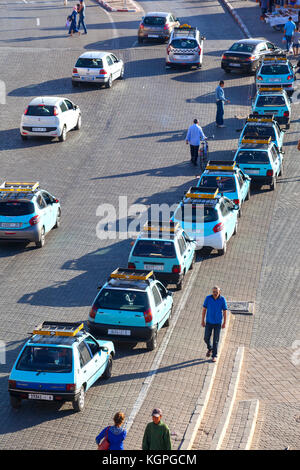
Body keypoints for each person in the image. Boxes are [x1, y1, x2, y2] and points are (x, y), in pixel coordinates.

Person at [201, 286, 227, 363]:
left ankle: (214, 356)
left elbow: (225, 312)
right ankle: (210, 348)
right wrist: (203, 320)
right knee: (206, 338)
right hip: (209, 322)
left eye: (216, 292)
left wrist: (224, 322)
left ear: (219, 292)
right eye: (213, 292)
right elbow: (204, 310)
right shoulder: (208, 298)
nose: (215, 293)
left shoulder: (222, 300)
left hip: (218, 323)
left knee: (216, 340)